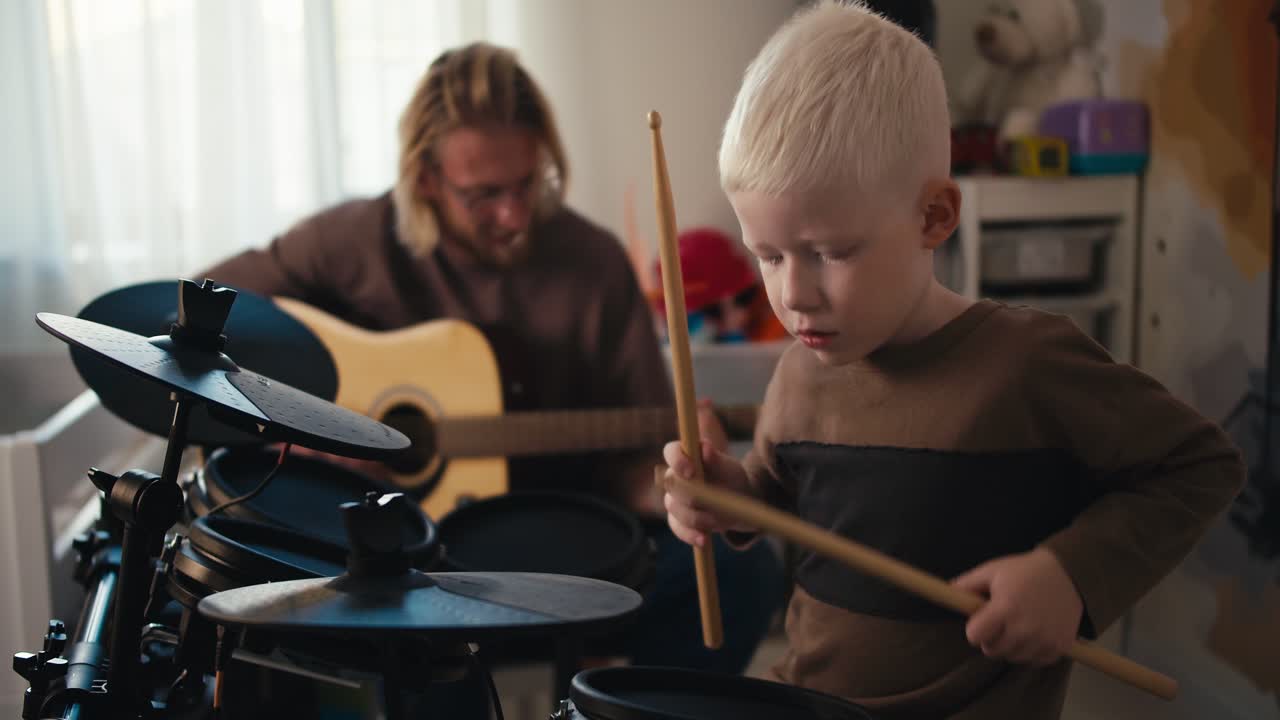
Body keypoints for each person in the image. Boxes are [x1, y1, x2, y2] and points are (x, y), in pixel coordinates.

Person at [659, 2, 1245, 718]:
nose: (793, 294)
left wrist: (1070, 576)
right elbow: (787, 502)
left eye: (832, 252)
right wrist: (728, 499)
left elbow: (1199, 465)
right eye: (768, 256)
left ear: (935, 217)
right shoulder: (802, 373)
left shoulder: (1028, 363)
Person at [198, 41, 784, 712]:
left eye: (528, 184)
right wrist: (298, 430)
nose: (513, 215)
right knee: (399, 618)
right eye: (483, 196)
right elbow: (202, 311)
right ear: (424, 179)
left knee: (740, 571)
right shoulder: (353, 244)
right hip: (413, 558)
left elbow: (635, 469)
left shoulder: (592, 264)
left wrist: (681, 486)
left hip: (568, 546)